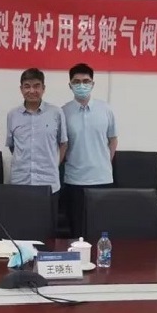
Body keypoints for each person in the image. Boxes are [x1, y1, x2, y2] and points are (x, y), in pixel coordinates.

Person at [62, 63, 118, 238]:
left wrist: (104, 162)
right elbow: (61, 145)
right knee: (76, 232)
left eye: (86, 81)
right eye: (76, 81)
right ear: (70, 85)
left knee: (101, 232)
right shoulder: (63, 112)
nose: (81, 85)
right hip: (74, 180)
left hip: (102, 179)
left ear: (92, 84)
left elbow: (113, 140)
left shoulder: (106, 109)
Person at [7, 68, 67, 228]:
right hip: (21, 182)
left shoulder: (56, 113)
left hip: (48, 183)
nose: (32, 90)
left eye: (36, 86)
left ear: (43, 88)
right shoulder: (13, 115)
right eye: (27, 86)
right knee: (21, 229)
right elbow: (12, 146)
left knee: (47, 230)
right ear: (21, 89)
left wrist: (54, 164)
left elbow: (63, 143)